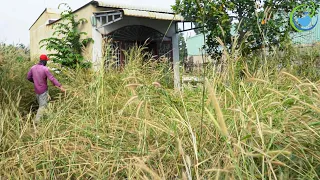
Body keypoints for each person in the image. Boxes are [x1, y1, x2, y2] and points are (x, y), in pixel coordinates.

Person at [27, 54, 65, 124]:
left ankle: (51, 120)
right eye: (46, 61)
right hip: (43, 91)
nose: (47, 62)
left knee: (45, 105)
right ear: (44, 61)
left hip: (37, 90)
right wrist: (60, 86)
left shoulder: (33, 68)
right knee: (42, 106)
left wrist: (35, 81)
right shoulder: (45, 69)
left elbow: (28, 77)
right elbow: (52, 78)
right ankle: (36, 122)